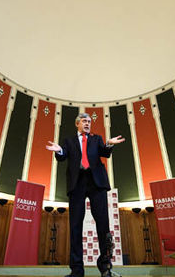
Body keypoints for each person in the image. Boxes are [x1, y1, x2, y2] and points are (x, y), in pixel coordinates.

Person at [46, 113, 125, 277]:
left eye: (89, 121)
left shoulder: (97, 139)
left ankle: (105, 268)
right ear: (77, 124)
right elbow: (62, 156)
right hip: (77, 184)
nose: (88, 123)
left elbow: (105, 152)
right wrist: (59, 149)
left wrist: (109, 144)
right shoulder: (69, 141)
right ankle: (76, 270)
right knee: (75, 227)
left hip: (97, 183)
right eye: (84, 121)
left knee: (103, 225)